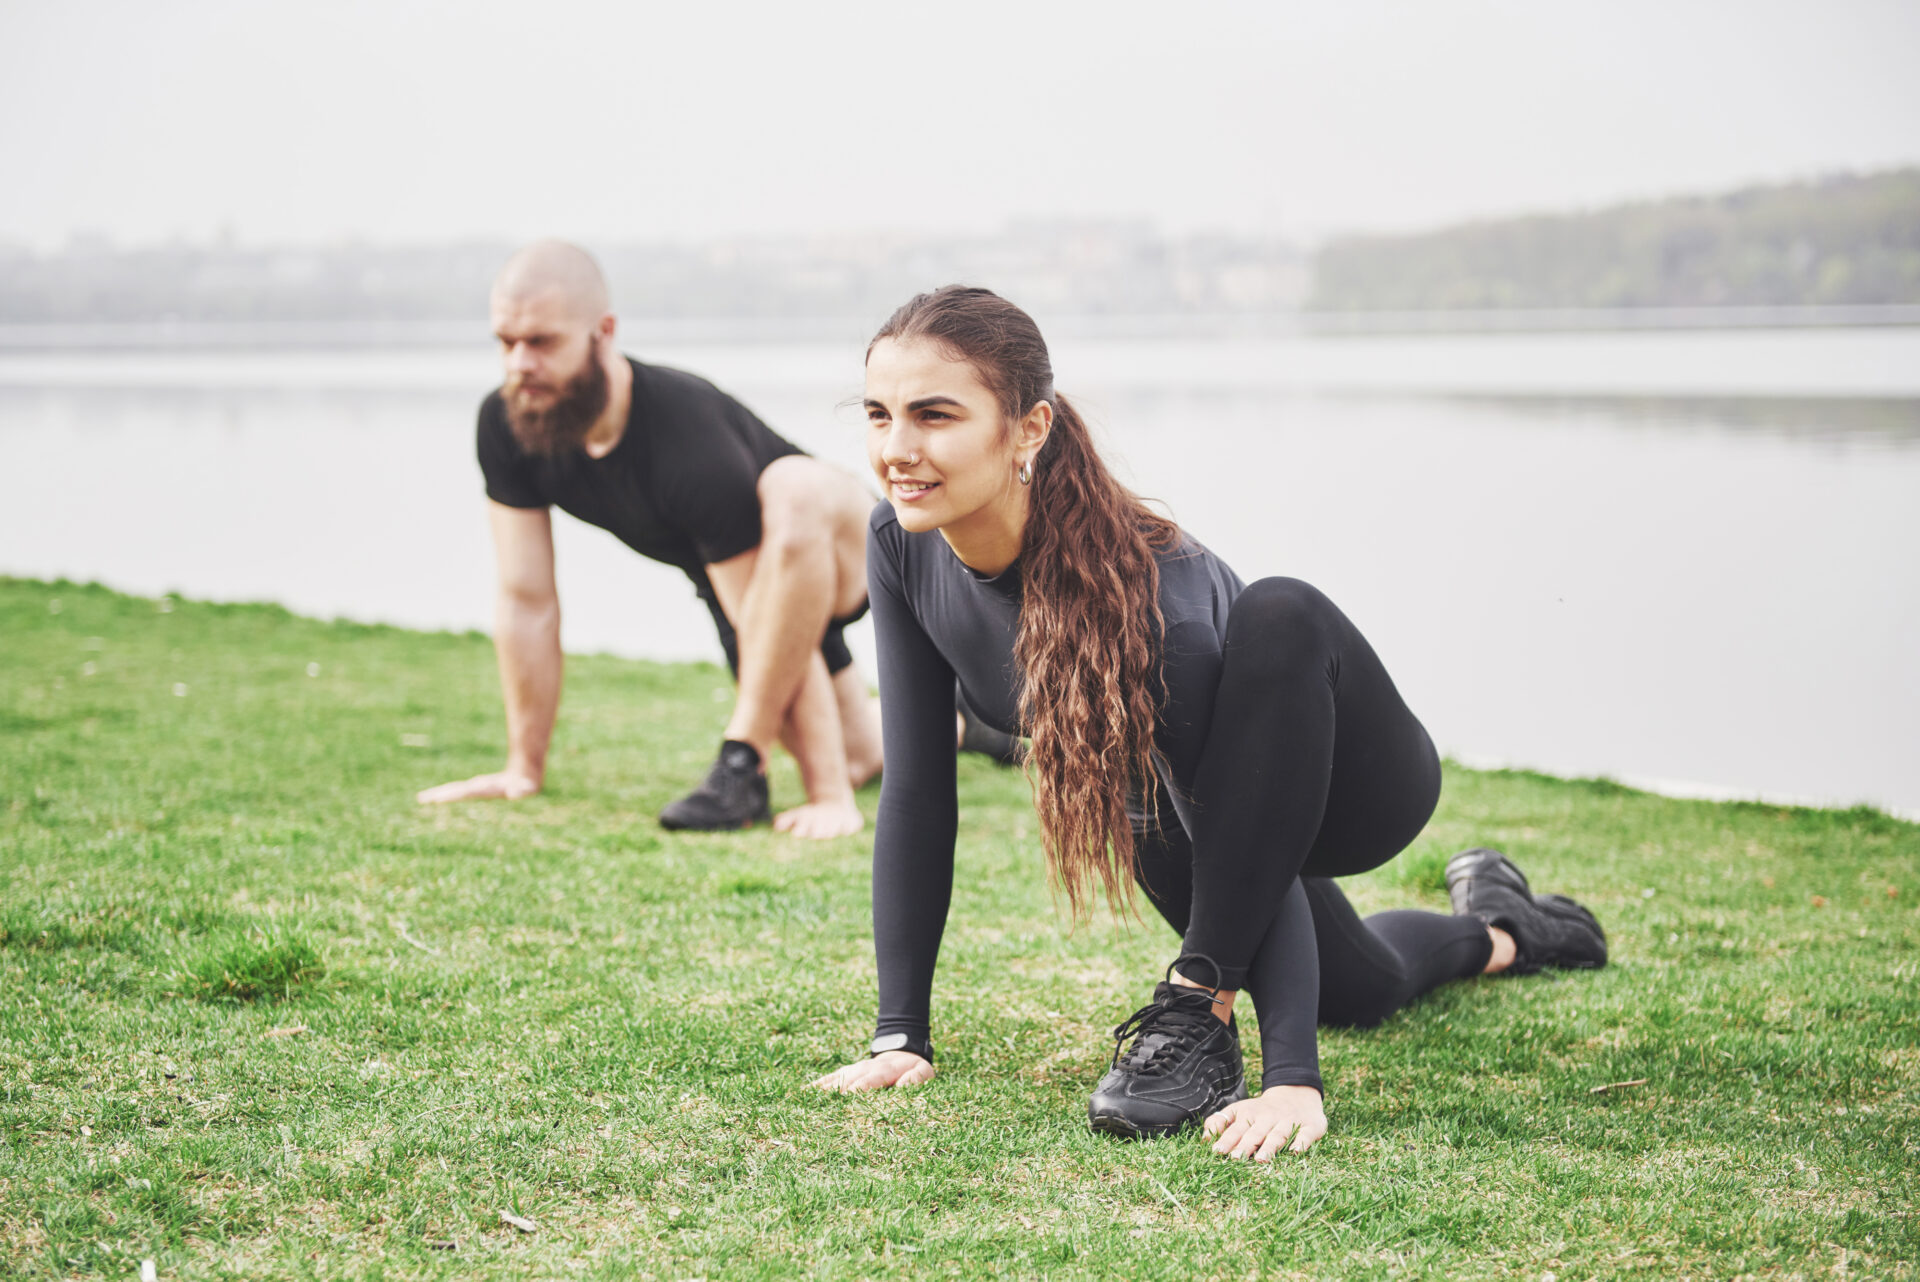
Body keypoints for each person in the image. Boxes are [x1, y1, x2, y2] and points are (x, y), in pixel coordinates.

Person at [813, 286, 1608, 1159]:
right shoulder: (900, 544)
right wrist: (900, 1035)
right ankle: (1505, 928)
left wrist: (1291, 1081)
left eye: (934, 415)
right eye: (879, 414)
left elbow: (1243, 838)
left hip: (1357, 783)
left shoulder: (1155, 608)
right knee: (1362, 989)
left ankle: (1256, 1014)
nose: (897, 449)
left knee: (1280, 610)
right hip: (1187, 802)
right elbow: (920, 795)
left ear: (1028, 430)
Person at [415, 240, 881, 838]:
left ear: (603, 332)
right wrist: (522, 769)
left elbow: (769, 620)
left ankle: (745, 765)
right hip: (735, 579)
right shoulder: (510, 424)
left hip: (840, 549)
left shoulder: (685, 438)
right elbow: (526, 600)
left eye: (542, 342)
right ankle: (968, 725)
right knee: (864, 754)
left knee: (792, 491)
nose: (519, 364)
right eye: (506, 342)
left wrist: (827, 795)